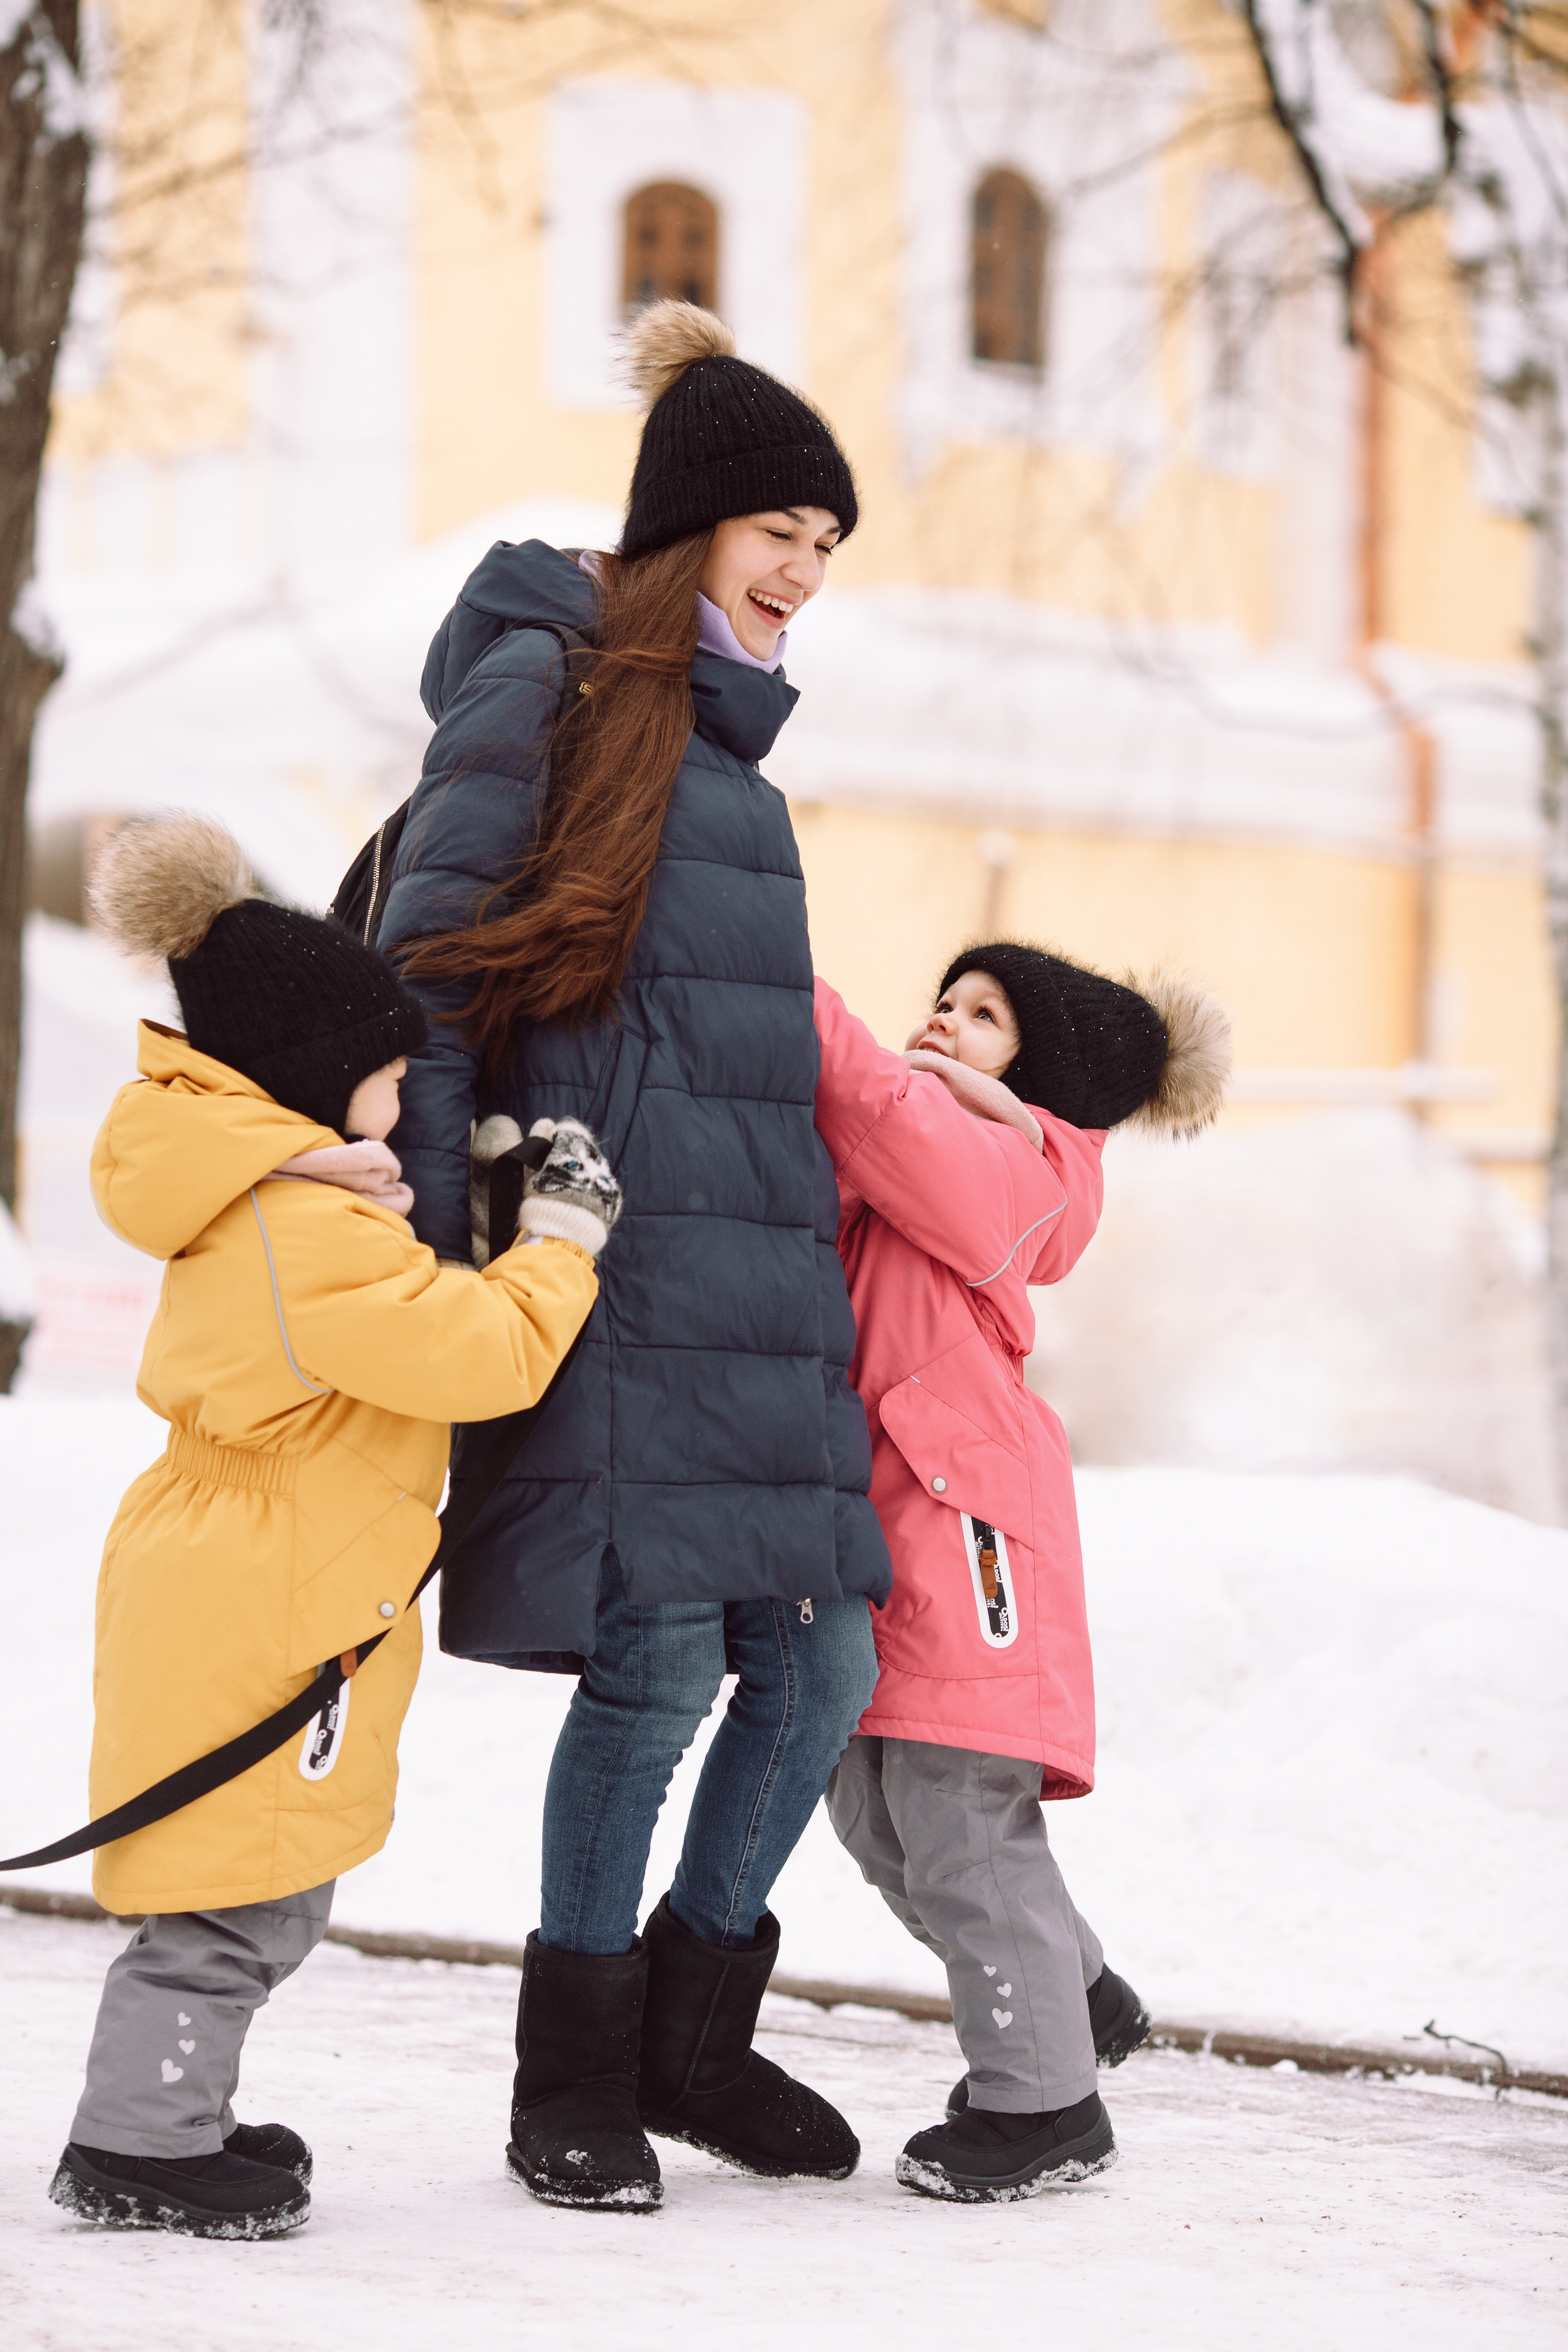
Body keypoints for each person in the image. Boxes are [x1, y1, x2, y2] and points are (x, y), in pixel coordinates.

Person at [378, 300, 892, 2214]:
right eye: (783, 530)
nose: (806, 573)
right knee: (661, 1669)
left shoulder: (739, 770)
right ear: (692, 526)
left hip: (761, 1293)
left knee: (824, 1661)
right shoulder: (550, 687)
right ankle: (575, 2072)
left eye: (830, 547)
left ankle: (695, 2041)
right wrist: (445, 1250)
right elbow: (433, 979)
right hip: (609, 1273)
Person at [49, 815, 617, 2241]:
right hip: (266, 1583)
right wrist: (556, 1244)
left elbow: (403, 1321)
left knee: (252, 1872)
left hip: (255, 1563)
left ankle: (174, 2116)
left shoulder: (287, 1206)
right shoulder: (306, 1236)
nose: (409, 1076)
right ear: (310, 1073)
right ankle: (138, 2147)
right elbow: (478, 1356)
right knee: (238, 1894)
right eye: (386, 1058)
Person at [815, 943, 1230, 2202]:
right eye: (942, 1000)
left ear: (1036, 1068)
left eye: (982, 1014)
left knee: (953, 1805)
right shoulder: (916, 1143)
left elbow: (877, 1109)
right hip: (879, 1514)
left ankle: (1043, 2102)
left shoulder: (1029, 1168)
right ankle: (1072, 1995)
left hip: (966, 1519)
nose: (943, 1020)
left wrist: (767, 956)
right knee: (870, 1809)